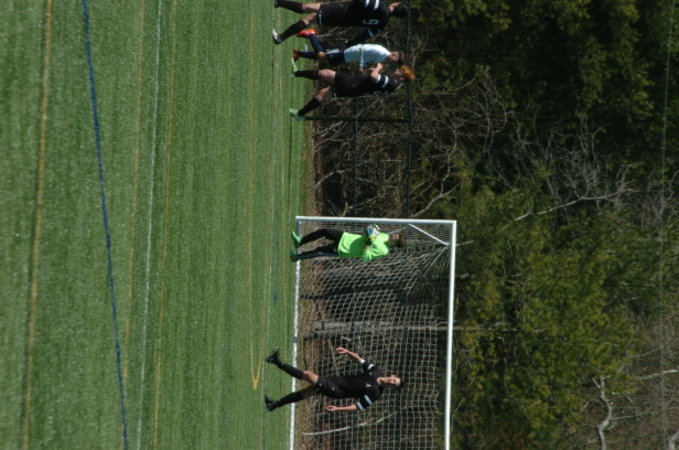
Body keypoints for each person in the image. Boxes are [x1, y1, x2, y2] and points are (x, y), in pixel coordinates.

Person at [264, 346, 403, 412]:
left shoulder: (376, 393)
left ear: (392, 388)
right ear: (393, 376)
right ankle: (274, 405)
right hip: (336, 380)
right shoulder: (376, 371)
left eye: (393, 385)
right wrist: (347, 352)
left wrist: (338, 408)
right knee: (304, 393)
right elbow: (360, 360)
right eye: (394, 381)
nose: (391, 382)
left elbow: (358, 407)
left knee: (307, 375)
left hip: (336, 390)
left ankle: (276, 361)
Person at [289, 63, 415, 120]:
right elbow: (373, 81)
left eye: (400, 72)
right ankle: (295, 73)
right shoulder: (392, 86)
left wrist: (378, 67)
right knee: (325, 73)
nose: (397, 71)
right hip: (354, 81)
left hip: (353, 86)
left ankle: (300, 114)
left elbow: (373, 77)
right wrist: (374, 72)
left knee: (322, 93)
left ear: (402, 78)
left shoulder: (391, 82)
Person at [272, 0, 407, 47]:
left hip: (343, 12)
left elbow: (361, 1)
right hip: (345, 21)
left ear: (395, 5)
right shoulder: (382, 25)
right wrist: (348, 44)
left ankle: (280, 36)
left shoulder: (381, 6)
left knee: (310, 11)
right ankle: (279, 3)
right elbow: (364, 36)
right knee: (311, 13)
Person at [293, 29, 405, 72]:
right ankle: (311, 34)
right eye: (394, 60)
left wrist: (370, 68)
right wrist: (361, 65)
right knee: (322, 55)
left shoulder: (382, 58)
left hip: (347, 57)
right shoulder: (381, 51)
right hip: (347, 51)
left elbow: (367, 57)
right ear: (393, 55)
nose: (392, 62)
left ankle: (298, 53)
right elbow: (363, 49)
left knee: (325, 57)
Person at [289, 226, 405, 261]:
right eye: (395, 234)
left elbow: (366, 257)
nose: (393, 235)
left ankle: (297, 257)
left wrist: (368, 244)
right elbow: (369, 233)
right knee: (325, 231)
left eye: (395, 237)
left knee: (320, 251)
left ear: (395, 244)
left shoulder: (383, 251)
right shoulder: (384, 236)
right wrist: (370, 229)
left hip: (345, 249)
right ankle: (300, 241)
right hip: (346, 237)